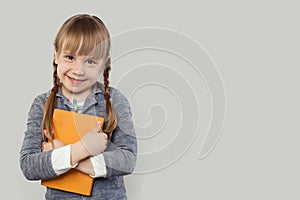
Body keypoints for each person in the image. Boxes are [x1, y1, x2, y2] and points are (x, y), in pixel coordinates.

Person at [19, 14, 137, 200]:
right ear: (56, 55)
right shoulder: (41, 105)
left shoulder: (115, 100)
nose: (78, 70)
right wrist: (82, 149)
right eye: (70, 57)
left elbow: (127, 161)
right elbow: (29, 165)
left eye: (90, 61)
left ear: (103, 65)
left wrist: (62, 152)